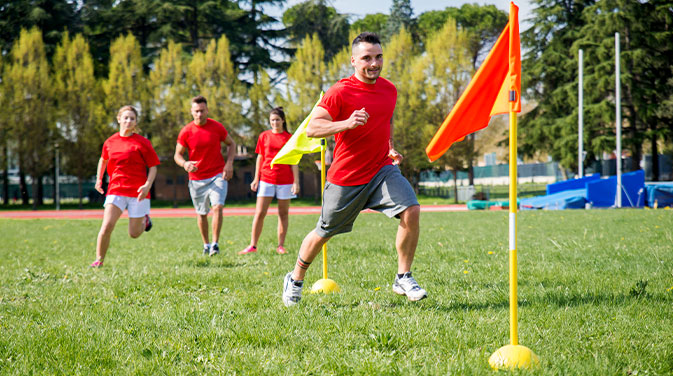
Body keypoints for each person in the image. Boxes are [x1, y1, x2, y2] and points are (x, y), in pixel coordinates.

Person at [282, 32, 427, 306]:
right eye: (367, 58)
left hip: (381, 169)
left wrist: (390, 146)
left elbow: (386, 122)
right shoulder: (340, 92)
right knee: (323, 232)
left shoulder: (389, 90)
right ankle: (296, 278)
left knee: (412, 209)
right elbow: (313, 128)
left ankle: (403, 276)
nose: (374, 63)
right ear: (353, 61)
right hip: (346, 178)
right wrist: (345, 123)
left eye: (378, 56)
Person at [90, 105, 160, 268]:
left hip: (138, 192)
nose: (129, 121)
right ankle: (99, 261)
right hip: (116, 189)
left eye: (132, 119)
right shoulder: (110, 142)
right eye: (126, 118)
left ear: (136, 122)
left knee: (134, 234)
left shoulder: (142, 142)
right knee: (107, 226)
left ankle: (145, 220)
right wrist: (98, 179)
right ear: (119, 119)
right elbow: (103, 159)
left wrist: (147, 186)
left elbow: (154, 167)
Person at [174, 95, 236, 256]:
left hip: (217, 175)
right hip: (196, 179)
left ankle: (215, 244)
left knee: (217, 207)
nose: (199, 114)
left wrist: (229, 164)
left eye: (202, 111)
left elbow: (231, 144)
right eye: (196, 111)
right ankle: (206, 244)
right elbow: (177, 155)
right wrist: (185, 164)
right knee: (202, 213)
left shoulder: (217, 127)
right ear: (191, 112)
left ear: (207, 110)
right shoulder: (186, 131)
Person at [239, 107, 300, 256]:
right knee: (260, 213)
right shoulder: (264, 136)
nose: (275, 122)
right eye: (272, 120)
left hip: (285, 180)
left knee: (283, 214)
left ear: (283, 121)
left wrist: (296, 182)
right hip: (266, 179)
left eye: (277, 120)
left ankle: (280, 246)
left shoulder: (289, 138)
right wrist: (256, 178)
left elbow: (294, 161)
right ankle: (253, 245)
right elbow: (260, 157)